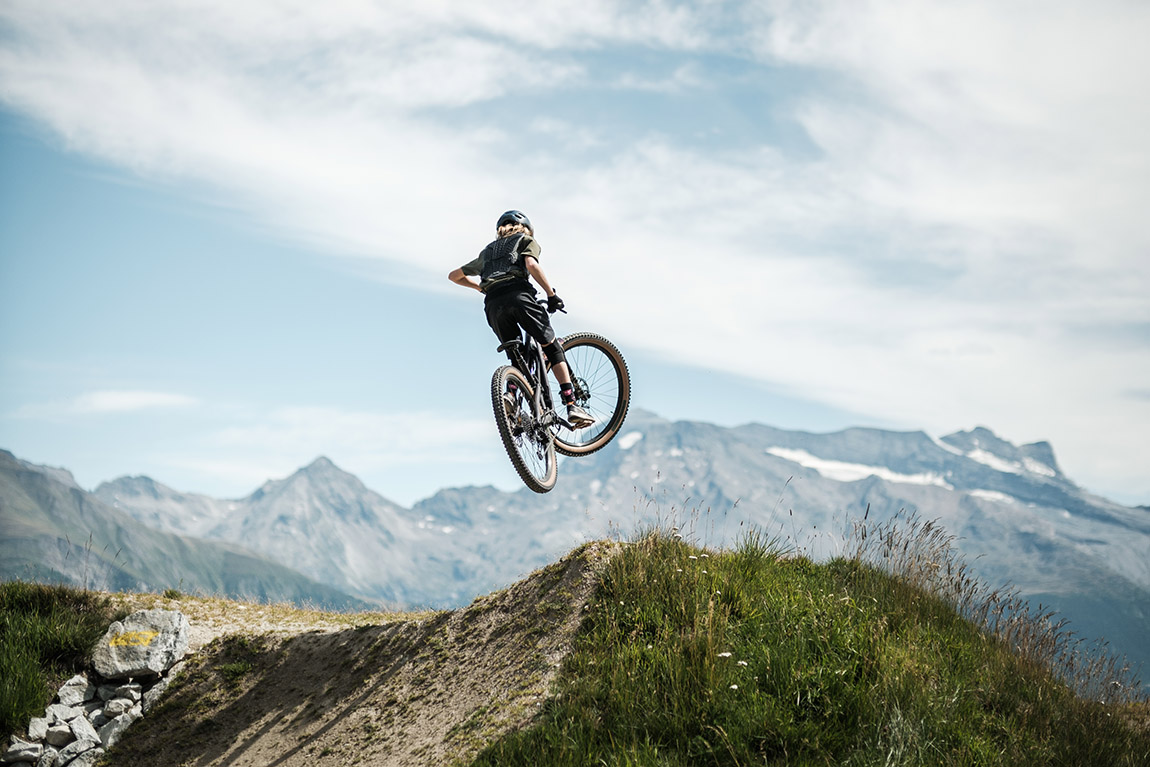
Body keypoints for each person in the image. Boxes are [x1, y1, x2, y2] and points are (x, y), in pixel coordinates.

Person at [449, 210, 595, 428]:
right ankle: (572, 404)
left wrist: (481, 287)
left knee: (517, 356)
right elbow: (532, 265)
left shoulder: (487, 253)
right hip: (519, 296)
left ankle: (510, 396)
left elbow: (454, 276)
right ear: (526, 228)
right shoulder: (526, 240)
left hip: (492, 304)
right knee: (552, 347)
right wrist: (551, 295)